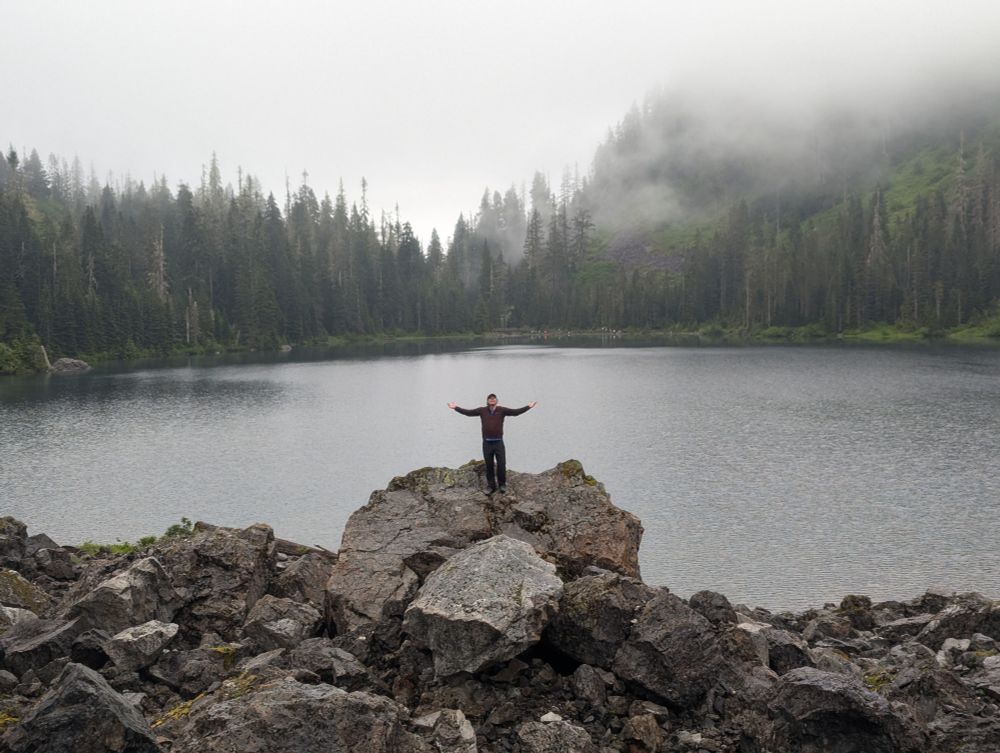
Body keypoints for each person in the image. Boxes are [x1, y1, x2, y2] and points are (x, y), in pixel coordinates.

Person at [447, 393, 537, 494]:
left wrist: (528, 406)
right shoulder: (482, 410)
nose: (492, 400)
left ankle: (502, 485)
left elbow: (515, 412)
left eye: (494, 399)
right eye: (490, 399)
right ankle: (491, 486)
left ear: (496, 401)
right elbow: (468, 412)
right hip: (487, 443)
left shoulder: (502, 410)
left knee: (501, 464)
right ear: (487, 401)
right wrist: (455, 407)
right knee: (489, 466)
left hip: (499, 443)